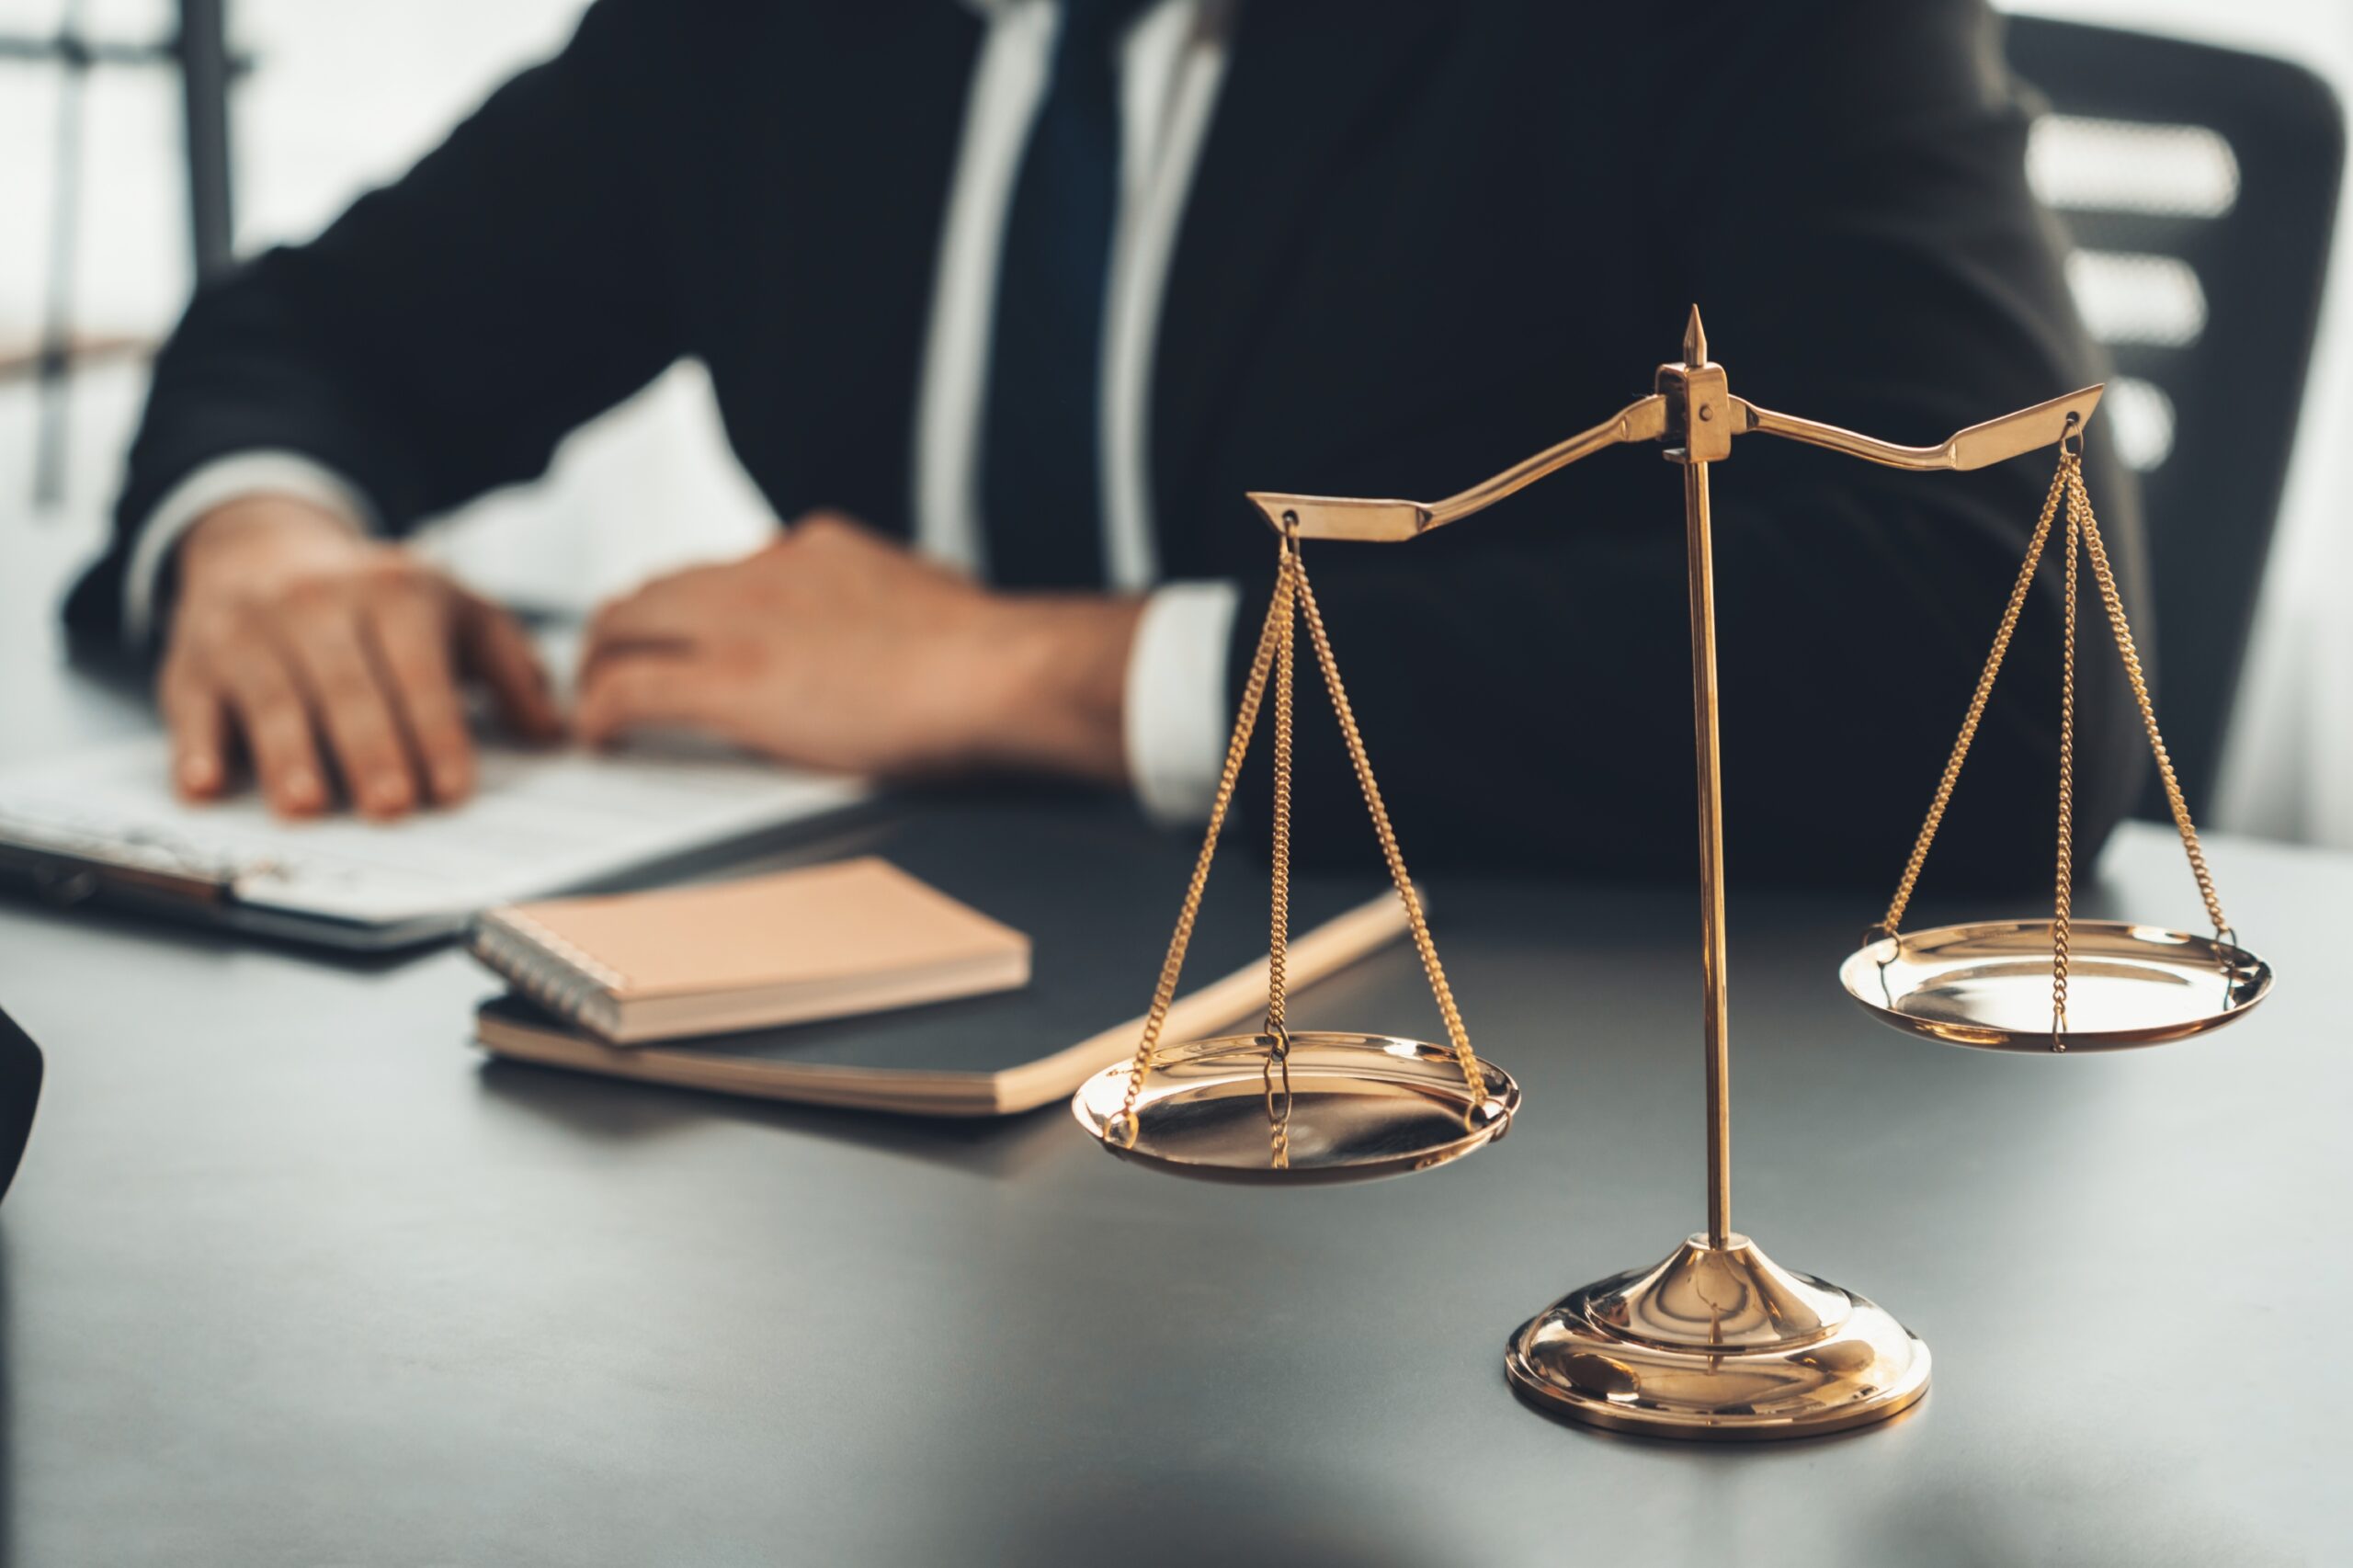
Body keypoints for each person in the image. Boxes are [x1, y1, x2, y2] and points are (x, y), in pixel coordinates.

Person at [67, 0, 2147, 886]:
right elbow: (322, 334)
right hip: (872, 1140)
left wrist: (1043, 672)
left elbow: (2014, 656)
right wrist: (264, 542)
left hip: (1521, 1131)